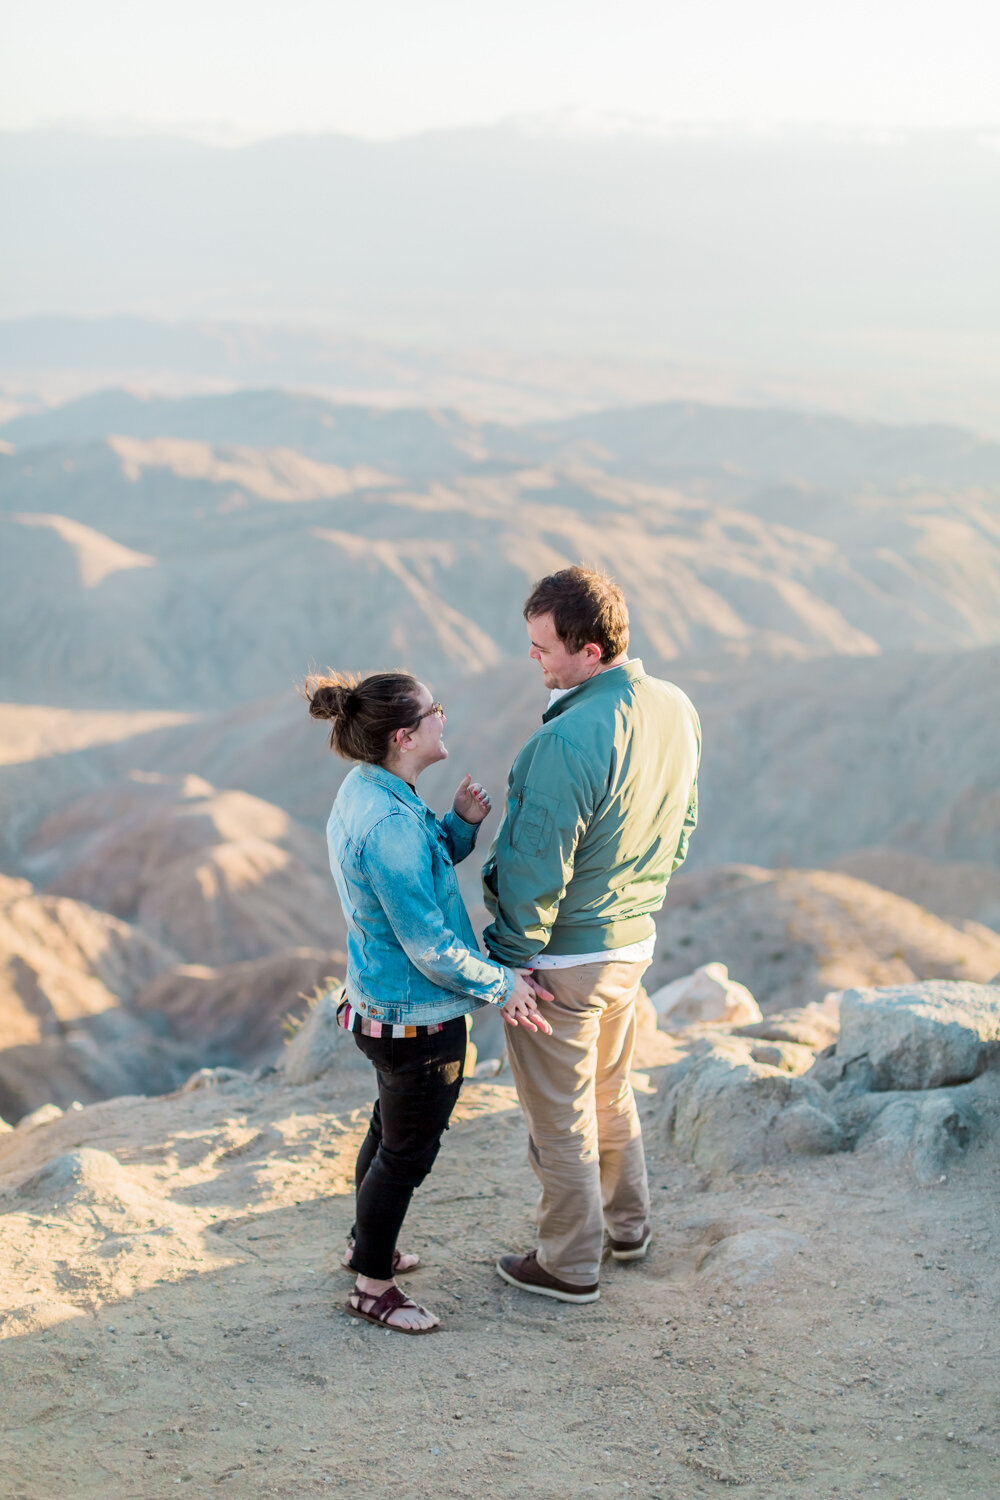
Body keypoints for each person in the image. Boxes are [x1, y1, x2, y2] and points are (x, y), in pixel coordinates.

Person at [306, 669, 551, 1335]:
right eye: (434, 711)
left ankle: (366, 1247)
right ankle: (372, 1287)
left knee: (389, 1133)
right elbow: (430, 946)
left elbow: (416, 869)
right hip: (415, 1018)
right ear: (406, 735)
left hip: (378, 1005)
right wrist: (504, 985)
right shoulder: (386, 819)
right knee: (407, 1152)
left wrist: (460, 826)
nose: (445, 717)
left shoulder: (370, 789)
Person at [482, 566, 700, 1304]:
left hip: (565, 956)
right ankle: (629, 1229)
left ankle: (569, 1263)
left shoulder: (567, 741)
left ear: (594, 652)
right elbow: (684, 826)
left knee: (560, 1113)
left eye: (544, 648)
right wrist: (641, 899)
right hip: (633, 941)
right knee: (610, 1089)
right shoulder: (674, 707)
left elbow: (532, 868)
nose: (535, 660)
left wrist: (511, 963)